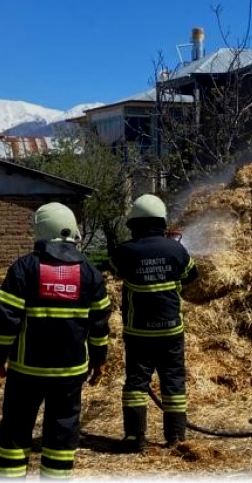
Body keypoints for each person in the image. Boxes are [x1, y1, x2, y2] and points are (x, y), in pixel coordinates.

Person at [0, 203, 111, 479]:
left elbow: (6, 320)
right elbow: (100, 325)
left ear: (40, 230)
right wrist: (100, 360)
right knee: (63, 431)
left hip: (26, 370)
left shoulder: (23, 268)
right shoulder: (90, 272)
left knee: (16, 429)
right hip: (70, 372)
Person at [103, 194, 197, 453]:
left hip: (138, 331)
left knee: (136, 382)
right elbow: (192, 275)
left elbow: (111, 268)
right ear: (162, 221)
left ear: (134, 224)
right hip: (171, 330)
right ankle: (176, 436)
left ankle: (135, 438)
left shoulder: (125, 251)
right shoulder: (175, 249)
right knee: (174, 381)